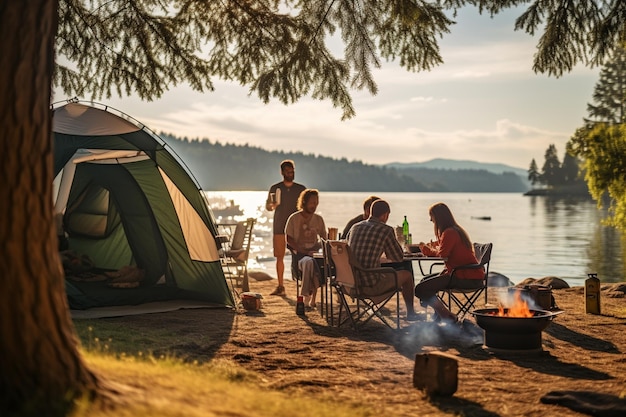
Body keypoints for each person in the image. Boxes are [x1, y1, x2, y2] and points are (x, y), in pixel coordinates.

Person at [347, 199, 418, 321]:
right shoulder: (386, 229)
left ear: (370, 212)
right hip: (371, 283)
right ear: (385, 215)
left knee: (394, 271)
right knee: (406, 275)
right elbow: (398, 257)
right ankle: (410, 313)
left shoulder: (355, 227)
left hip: (351, 282)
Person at [414, 202, 484, 323]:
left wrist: (425, 249)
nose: (430, 220)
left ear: (439, 217)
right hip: (464, 274)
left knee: (420, 289)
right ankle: (438, 315)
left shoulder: (450, 233)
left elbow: (442, 255)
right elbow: (445, 250)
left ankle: (447, 315)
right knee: (424, 282)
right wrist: (432, 247)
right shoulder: (454, 230)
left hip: (466, 277)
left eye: (432, 216)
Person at [266, 160, 306, 296]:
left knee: (301, 256)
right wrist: (274, 205)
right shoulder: (275, 188)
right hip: (279, 226)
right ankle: (281, 285)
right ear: (282, 172)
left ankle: (302, 285)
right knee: (279, 256)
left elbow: (305, 209)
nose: (291, 174)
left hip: (296, 228)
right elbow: (268, 207)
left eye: (293, 171)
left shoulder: (301, 189)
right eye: (288, 172)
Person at [285, 189, 327, 308]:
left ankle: (310, 297)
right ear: (304, 202)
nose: (314, 205)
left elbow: (325, 239)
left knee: (316, 262)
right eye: (312, 202)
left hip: (314, 255)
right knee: (309, 262)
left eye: (316, 202)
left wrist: (321, 248)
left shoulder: (319, 220)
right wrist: (303, 251)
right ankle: (307, 296)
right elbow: (288, 239)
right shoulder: (294, 218)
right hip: (300, 256)